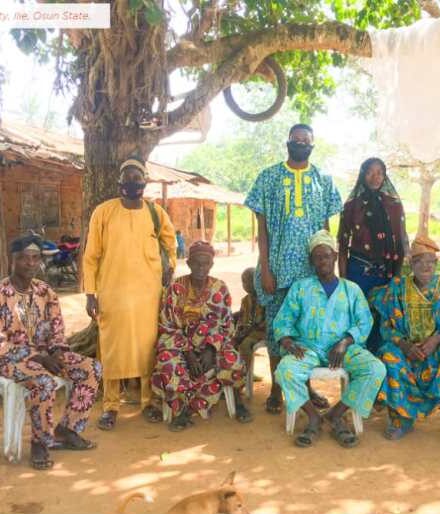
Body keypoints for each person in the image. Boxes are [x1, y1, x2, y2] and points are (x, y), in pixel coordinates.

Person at [245, 124, 343, 414]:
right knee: (278, 330)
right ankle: (277, 389)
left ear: (312, 145)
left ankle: (305, 388)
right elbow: (262, 229)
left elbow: (325, 231)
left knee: (306, 331)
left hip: (311, 273)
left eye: (305, 140)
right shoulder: (268, 177)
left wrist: (328, 271)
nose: (300, 143)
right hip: (278, 271)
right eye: (295, 139)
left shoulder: (323, 179)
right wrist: (265, 268)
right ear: (288, 142)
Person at [83, 157, 176, 431]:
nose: (132, 183)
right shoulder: (103, 212)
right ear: (119, 181)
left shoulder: (155, 213)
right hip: (112, 292)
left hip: (148, 293)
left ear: (145, 182)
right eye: (127, 178)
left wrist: (170, 267)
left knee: (147, 346)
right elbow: (91, 256)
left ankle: (148, 402)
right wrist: (90, 293)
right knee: (111, 347)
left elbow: (170, 245)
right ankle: (111, 406)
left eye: (137, 178)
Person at [273, 230, 386, 448]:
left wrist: (345, 342)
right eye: (317, 257)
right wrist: (287, 341)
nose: (322, 261)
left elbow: (364, 321)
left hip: (344, 348)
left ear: (334, 257)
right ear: (311, 261)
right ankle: (313, 417)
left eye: (326, 256)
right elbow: (284, 319)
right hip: (309, 348)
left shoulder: (351, 289)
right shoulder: (301, 288)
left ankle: (336, 414)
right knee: (285, 370)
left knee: (375, 369)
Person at [0, 236, 101, 469]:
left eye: (35, 258)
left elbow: (57, 330)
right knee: (44, 381)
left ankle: (67, 430)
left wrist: (56, 352)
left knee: (91, 368)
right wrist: (37, 357)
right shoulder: (2, 293)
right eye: (24, 258)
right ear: (12, 260)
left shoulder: (45, 291)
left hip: (46, 354)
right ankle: (40, 443)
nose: (30, 263)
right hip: (9, 358)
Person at [370, 236, 440, 448]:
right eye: (419, 261)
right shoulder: (398, 289)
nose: (426, 266)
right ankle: (401, 419)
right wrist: (405, 345)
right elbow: (386, 327)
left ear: (437, 263)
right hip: (407, 348)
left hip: (437, 348)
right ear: (410, 264)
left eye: (431, 261)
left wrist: (436, 339)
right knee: (389, 355)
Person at [151, 241, 252, 430]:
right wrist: (188, 353)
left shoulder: (219, 288)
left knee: (233, 361)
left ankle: (238, 401)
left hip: (212, 344)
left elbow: (226, 324)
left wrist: (211, 350)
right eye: (196, 263)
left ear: (211, 264)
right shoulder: (176, 288)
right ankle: (181, 411)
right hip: (179, 343)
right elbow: (168, 325)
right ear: (189, 263)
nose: (201, 268)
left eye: (205, 264)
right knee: (167, 362)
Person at [338, 157, 408, 298]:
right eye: (369, 172)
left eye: (379, 173)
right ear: (363, 175)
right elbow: (342, 247)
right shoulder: (352, 206)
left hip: (387, 273)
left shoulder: (394, 205)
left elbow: (402, 242)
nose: (375, 177)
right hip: (358, 274)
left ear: (384, 176)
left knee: (385, 311)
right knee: (358, 310)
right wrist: (343, 281)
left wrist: (397, 276)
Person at [234, 267, 266, 372]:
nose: (246, 284)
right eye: (244, 281)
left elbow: (265, 322)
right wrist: (239, 332)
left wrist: (248, 331)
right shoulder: (245, 300)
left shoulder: (265, 298)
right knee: (231, 343)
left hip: (262, 332)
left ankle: (247, 373)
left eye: (250, 281)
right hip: (248, 332)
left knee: (245, 345)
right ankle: (240, 371)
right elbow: (242, 319)